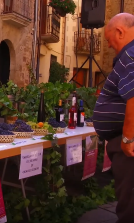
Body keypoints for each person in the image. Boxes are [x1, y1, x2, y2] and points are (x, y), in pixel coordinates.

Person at [93, 13, 134, 223]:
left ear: (120, 31)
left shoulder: (130, 55)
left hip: (128, 146)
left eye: (109, 39)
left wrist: (128, 139)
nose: (109, 46)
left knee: (129, 204)